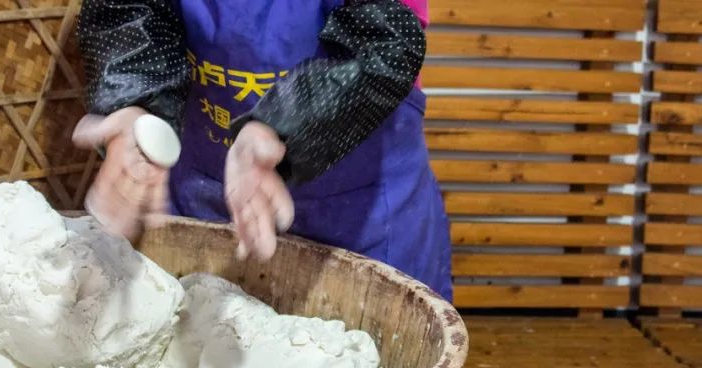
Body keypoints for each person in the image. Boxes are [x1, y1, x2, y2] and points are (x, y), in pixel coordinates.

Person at [72, 0, 452, 301]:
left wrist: (284, 122)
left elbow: (385, 46)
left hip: (362, 213)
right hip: (211, 195)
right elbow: (129, 12)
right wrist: (139, 103)